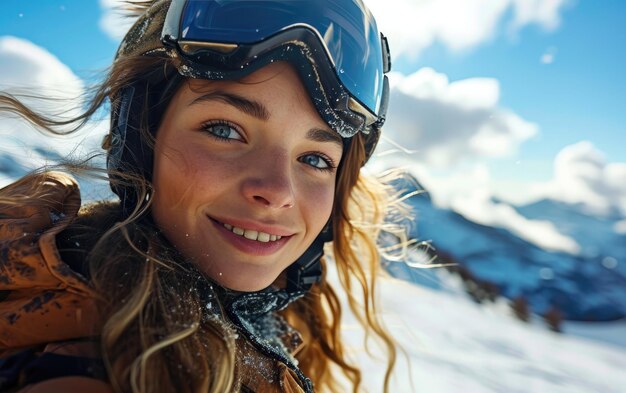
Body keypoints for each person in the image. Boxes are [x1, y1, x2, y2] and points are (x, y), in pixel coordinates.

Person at [0, 0, 406, 392]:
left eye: (315, 159)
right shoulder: (87, 363)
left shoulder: (266, 335)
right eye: (224, 131)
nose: (278, 192)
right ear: (141, 138)